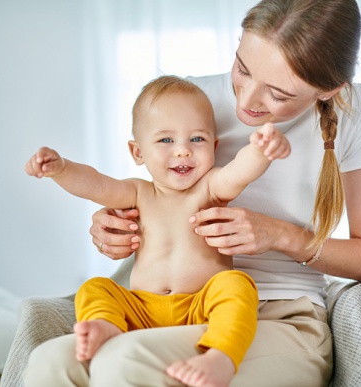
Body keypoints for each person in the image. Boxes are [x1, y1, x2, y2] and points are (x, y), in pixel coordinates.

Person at [24, 0, 361, 385]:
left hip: (280, 314)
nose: (246, 102)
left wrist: (278, 235)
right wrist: (112, 225)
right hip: (168, 307)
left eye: (278, 95)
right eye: (242, 69)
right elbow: (131, 192)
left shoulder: (356, 111)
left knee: (125, 361)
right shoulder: (188, 101)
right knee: (50, 361)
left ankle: (219, 354)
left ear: (329, 90)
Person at [24, 75, 291, 387]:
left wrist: (262, 149)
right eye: (166, 140)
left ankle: (220, 355)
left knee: (236, 285)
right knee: (96, 288)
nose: (182, 151)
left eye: (197, 139)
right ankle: (106, 324)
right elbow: (94, 184)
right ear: (137, 153)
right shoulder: (139, 193)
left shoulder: (209, 188)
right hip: (141, 308)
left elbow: (238, 172)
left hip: (200, 305)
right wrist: (62, 169)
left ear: (214, 146)